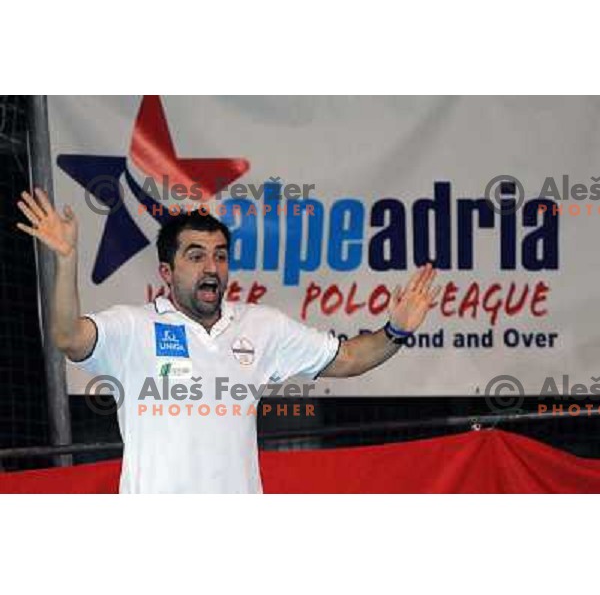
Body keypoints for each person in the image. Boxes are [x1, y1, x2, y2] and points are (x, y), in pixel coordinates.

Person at [16, 187, 440, 493]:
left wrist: (396, 330)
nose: (212, 267)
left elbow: (346, 357)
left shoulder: (261, 326)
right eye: (196, 255)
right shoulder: (132, 327)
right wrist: (66, 262)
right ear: (166, 272)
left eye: (220, 255)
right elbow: (68, 337)